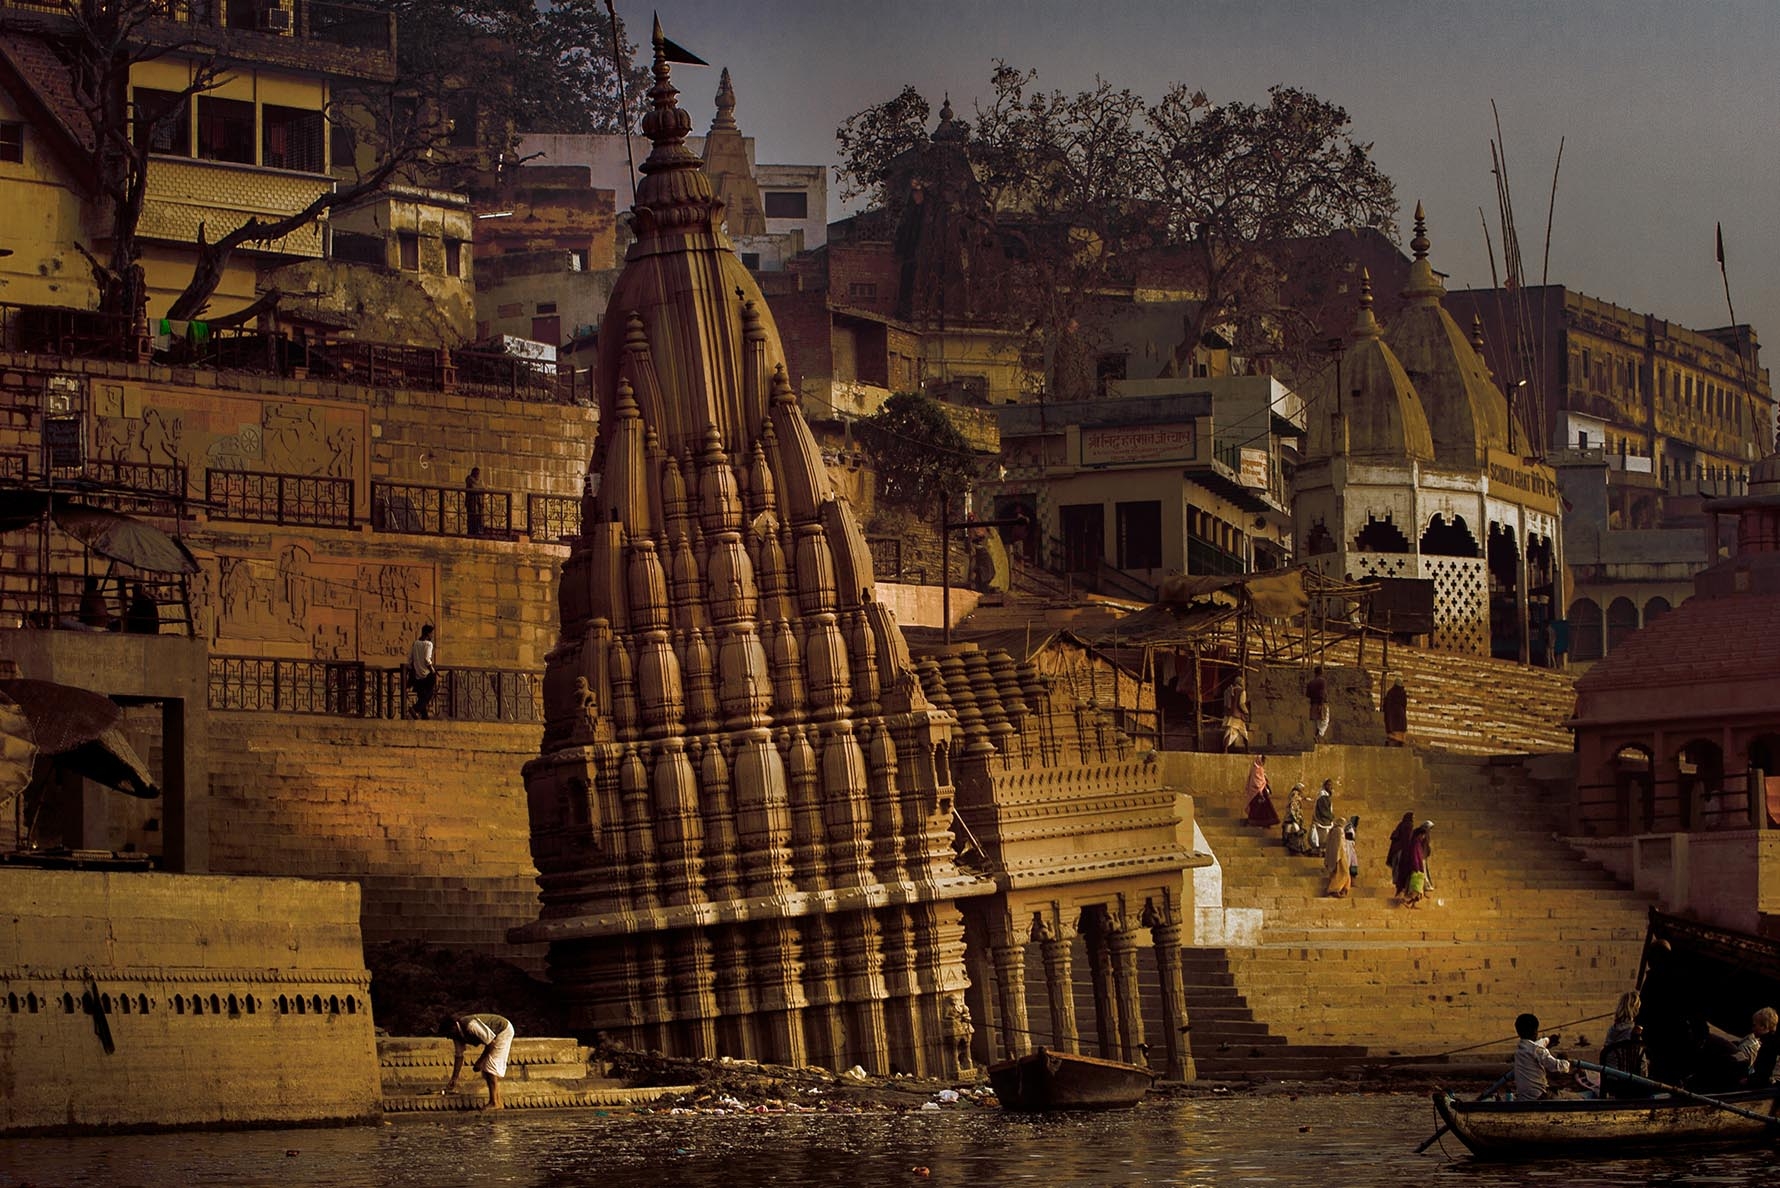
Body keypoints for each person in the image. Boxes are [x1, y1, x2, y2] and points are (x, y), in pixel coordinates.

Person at [1637, 939, 1704, 1085]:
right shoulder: (1678, 976)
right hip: (1674, 1037)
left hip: (1663, 1038)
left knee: (1664, 1074)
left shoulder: (1655, 978)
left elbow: (1644, 1008)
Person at [440, 1012, 514, 1109]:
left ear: (453, 1028)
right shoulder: (456, 1036)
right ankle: (498, 1102)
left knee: (489, 1067)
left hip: (503, 1030)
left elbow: (491, 1043)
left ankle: (494, 1102)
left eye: (448, 1034)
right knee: (487, 1069)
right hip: (494, 1037)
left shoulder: (470, 1025)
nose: (447, 1037)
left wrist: (480, 1061)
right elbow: (459, 1056)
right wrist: (454, 1078)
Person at [1597, 990, 1649, 1099]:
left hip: (1611, 1079)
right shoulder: (1635, 1032)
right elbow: (1642, 1065)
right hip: (1630, 1080)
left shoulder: (1612, 1030)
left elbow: (1606, 1053)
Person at [1513, 1012, 1572, 1101]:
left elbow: (1536, 1045)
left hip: (1524, 1097)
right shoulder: (1537, 1050)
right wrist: (1565, 1060)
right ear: (1535, 1031)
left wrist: (1549, 1040)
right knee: (1574, 1097)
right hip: (1539, 1097)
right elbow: (1556, 1066)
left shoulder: (1520, 1049)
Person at [1399, 821, 1434, 907]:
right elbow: (1415, 856)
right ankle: (1406, 900)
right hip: (1416, 867)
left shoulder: (1418, 842)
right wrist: (1417, 867)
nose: (1423, 837)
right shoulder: (1415, 843)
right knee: (1415, 887)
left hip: (1419, 865)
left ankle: (1411, 903)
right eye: (1422, 835)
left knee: (1417, 887)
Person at [1326, 815, 1360, 898]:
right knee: (1344, 872)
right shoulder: (1339, 831)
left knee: (1345, 873)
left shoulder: (1334, 830)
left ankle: (1344, 889)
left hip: (1341, 854)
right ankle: (1334, 890)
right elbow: (1339, 845)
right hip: (1340, 855)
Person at [409, 623, 438, 719]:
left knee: (422, 695)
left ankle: (424, 716)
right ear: (428, 633)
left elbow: (410, 658)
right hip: (427, 673)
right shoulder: (428, 644)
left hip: (417, 674)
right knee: (429, 694)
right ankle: (415, 708)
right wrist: (432, 669)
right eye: (432, 633)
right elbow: (427, 659)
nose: (432, 635)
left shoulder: (415, 643)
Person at [1244, 757, 1280, 828]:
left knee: (1266, 808)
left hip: (1262, 790)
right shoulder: (1256, 769)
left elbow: (1262, 779)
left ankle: (1266, 823)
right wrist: (1260, 791)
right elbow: (1256, 781)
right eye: (1262, 761)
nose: (1263, 763)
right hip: (1256, 792)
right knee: (1256, 808)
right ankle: (1254, 822)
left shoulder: (1260, 768)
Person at [1282, 782, 1313, 856]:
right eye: (1302, 789)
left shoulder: (1295, 794)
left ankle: (1299, 848)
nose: (1303, 790)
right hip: (1292, 818)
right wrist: (1297, 818)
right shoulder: (1295, 794)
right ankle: (1296, 848)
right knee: (1296, 832)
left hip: (1291, 818)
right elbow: (1294, 807)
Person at [1308, 779, 1338, 854]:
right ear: (1325, 786)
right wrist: (1330, 817)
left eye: (1331, 785)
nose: (1330, 787)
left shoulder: (1325, 795)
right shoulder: (1323, 796)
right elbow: (1324, 810)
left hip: (1323, 820)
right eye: (1328, 785)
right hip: (1322, 821)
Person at [1385, 811, 1415, 883]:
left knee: (1397, 869)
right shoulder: (1408, 825)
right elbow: (1407, 839)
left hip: (1397, 851)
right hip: (1402, 851)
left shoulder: (1400, 825)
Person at [1305, 665, 1329, 743]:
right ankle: (1318, 735)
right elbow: (1322, 693)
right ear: (1321, 672)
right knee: (1325, 721)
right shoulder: (1322, 681)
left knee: (1317, 722)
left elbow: (1307, 694)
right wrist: (1321, 704)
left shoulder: (1310, 683)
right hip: (1321, 704)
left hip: (1313, 704)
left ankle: (1317, 738)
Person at [1382, 679, 1408, 747]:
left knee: (1393, 735)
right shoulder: (1402, 693)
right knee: (1398, 735)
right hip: (1400, 716)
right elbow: (1404, 705)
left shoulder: (1391, 692)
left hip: (1393, 716)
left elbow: (1387, 705)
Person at [464, 466, 484, 537]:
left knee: (479, 518)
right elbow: (473, 488)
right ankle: (472, 532)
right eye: (477, 473)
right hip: (472, 501)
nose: (478, 475)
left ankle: (478, 531)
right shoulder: (469, 479)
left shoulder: (480, 481)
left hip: (479, 502)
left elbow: (483, 489)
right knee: (472, 518)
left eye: (478, 473)